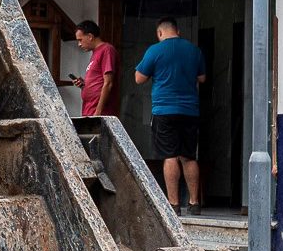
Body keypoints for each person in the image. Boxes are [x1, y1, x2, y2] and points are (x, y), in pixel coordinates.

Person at [134, 17, 206, 215]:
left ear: (160, 33)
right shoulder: (194, 50)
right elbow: (202, 78)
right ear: (178, 31)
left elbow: (139, 78)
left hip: (164, 111)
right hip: (190, 111)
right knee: (189, 156)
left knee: (170, 156)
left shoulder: (155, 50)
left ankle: (174, 205)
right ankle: (194, 203)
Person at [72, 20, 119, 117]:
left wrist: (98, 112)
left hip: (100, 113)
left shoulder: (107, 50)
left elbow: (108, 83)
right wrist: (83, 85)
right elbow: (98, 82)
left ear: (90, 36)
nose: (79, 44)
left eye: (80, 40)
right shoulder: (95, 53)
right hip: (89, 110)